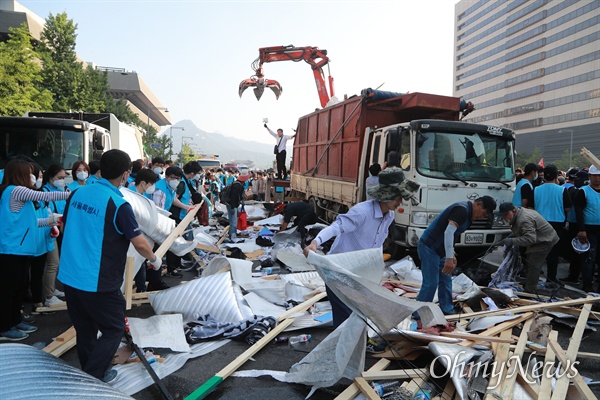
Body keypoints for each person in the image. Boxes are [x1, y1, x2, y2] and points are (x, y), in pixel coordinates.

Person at [58, 149, 162, 382]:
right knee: (114, 329)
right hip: (98, 281)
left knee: (84, 329)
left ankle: (92, 370)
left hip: (70, 276)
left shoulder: (77, 194)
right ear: (126, 175)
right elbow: (141, 245)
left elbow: (65, 227)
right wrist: (155, 260)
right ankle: (92, 378)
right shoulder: (118, 204)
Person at [303, 167, 407, 328]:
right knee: (345, 319)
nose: (401, 201)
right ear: (387, 196)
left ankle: (356, 345)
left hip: (360, 274)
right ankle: (345, 349)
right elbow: (336, 227)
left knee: (359, 314)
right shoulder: (362, 212)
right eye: (398, 197)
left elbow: (376, 244)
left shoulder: (390, 215)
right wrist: (315, 243)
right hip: (338, 272)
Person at [0, 159, 68, 341]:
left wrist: (51, 220)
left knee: (19, 288)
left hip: (20, 249)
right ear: (19, 174)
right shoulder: (15, 190)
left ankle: (15, 320)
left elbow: (31, 222)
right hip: (11, 250)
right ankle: (4, 327)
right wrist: (71, 195)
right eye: (30, 173)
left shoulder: (19, 194)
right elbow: (46, 196)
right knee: (9, 289)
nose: (34, 177)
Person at [415, 196, 497, 315]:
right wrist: (448, 257)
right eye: (484, 213)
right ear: (478, 204)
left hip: (440, 250)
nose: (482, 217)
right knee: (431, 284)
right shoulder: (462, 210)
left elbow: (453, 236)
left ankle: (447, 310)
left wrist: (451, 253)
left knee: (446, 280)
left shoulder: (469, 216)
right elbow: (448, 232)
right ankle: (418, 314)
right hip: (429, 247)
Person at [498, 202, 559, 293]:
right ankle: (529, 283)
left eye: (506, 215)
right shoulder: (519, 213)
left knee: (533, 264)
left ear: (513, 211)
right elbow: (522, 230)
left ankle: (530, 290)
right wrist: (511, 236)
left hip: (546, 240)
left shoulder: (524, 219)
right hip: (539, 238)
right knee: (529, 261)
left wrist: (512, 241)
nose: (505, 218)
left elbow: (530, 239)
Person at [532, 165, 572, 283]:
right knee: (553, 253)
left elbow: (530, 206)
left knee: (538, 252)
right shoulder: (562, 190)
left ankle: (533, 278)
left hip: (539, 222)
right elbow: (568, 207)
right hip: (557, 223)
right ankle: (551, 278)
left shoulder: (536, 189)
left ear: (544, 176)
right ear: (556, 176)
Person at [152, 166, 192, 278]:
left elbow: (173, 199)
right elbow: (158, 212)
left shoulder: (170, 187)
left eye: (178, 178)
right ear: (167, 177)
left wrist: (187, 207)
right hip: (155, 222)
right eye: (173, 178)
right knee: (158, 250)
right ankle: (157, 278)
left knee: (170, 243)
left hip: (162, 219)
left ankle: (171, 268)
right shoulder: (160, 190)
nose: (175, 181)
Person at [129, 169, 163, 293]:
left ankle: (141, 288)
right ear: (143, 183)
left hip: (139, 234)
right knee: (137, 262)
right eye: (151, 184)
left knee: (140, 263)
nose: (153, 187)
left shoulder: (141, 195)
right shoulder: (131, 196)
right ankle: (140, 289)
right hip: (133, 236)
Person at [41, 164, 69, 307]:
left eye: (64, 178)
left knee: (56, 263)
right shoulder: (45, 191)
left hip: (60, 229)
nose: (62, 181)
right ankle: (48, 296)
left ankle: (52, 290)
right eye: (59, 178)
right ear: (51, 177)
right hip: (50, 231)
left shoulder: (61, 189)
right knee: (53, 263)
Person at [574, 165, 600, 293]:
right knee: (588, 258)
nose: (597, 178)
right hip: (589, 229)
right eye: (594, 175)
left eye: (599, 176)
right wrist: (582, 229)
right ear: (589, 176)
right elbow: (579, 212)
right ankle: (587, 284)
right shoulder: (583, 191)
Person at [224, 168, 250, 243]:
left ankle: (231, 234)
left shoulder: (236, 184)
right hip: (232, 205)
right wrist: (233, 207)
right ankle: (232, 235)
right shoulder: (238, 186)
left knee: (232, 220)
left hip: (230, 204)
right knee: (234, 221)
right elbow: (234, 197)